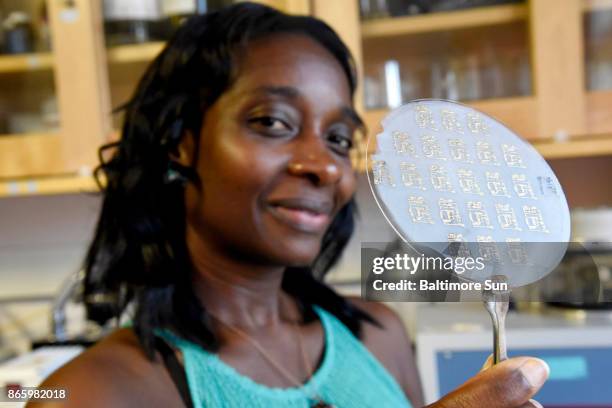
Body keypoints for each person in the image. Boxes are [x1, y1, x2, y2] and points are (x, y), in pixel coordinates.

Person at [29, 3, 549, 407]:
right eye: (274, 123)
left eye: (340, 139)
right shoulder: (91, 392)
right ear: (180, 143)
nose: (323, 165)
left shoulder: (378, 336)